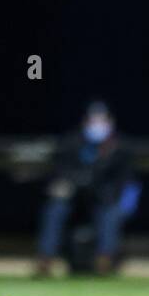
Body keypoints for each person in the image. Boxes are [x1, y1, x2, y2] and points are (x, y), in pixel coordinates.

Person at [33, 101, 137, 277]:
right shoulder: (71, 142)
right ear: (85, 122)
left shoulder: (120, 147)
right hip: (74, 198)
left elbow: (125, 181)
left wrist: (115, 198)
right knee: (55, 209)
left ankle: (105, 259)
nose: (97, 125)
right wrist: (65, 185)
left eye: (102, 120)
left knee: (110, 213)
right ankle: (46, 258)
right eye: (93, 121)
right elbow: (58, 173)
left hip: (103, 199)